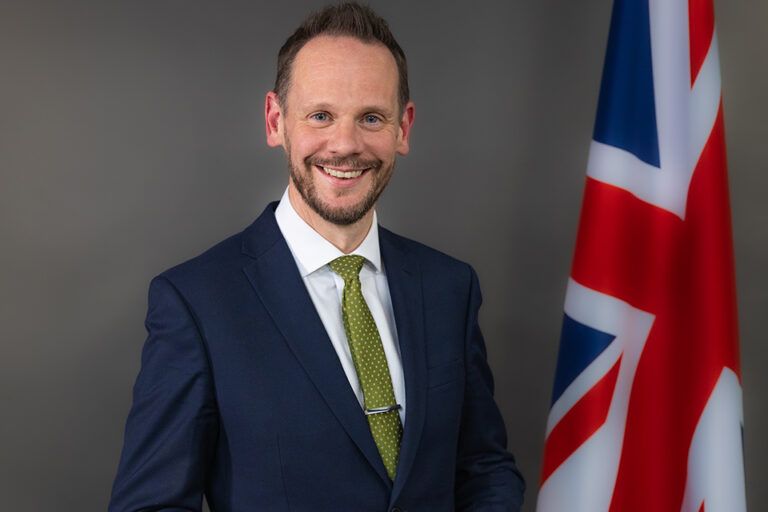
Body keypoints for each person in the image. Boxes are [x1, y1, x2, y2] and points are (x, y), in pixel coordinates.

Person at [108, 3, 525, 511]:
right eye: (321, 116)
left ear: (403, 128)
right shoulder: (197, 303)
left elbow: (483, 468)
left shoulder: (449, 288)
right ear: (275, 120)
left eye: (371, 117)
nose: (344, 144)